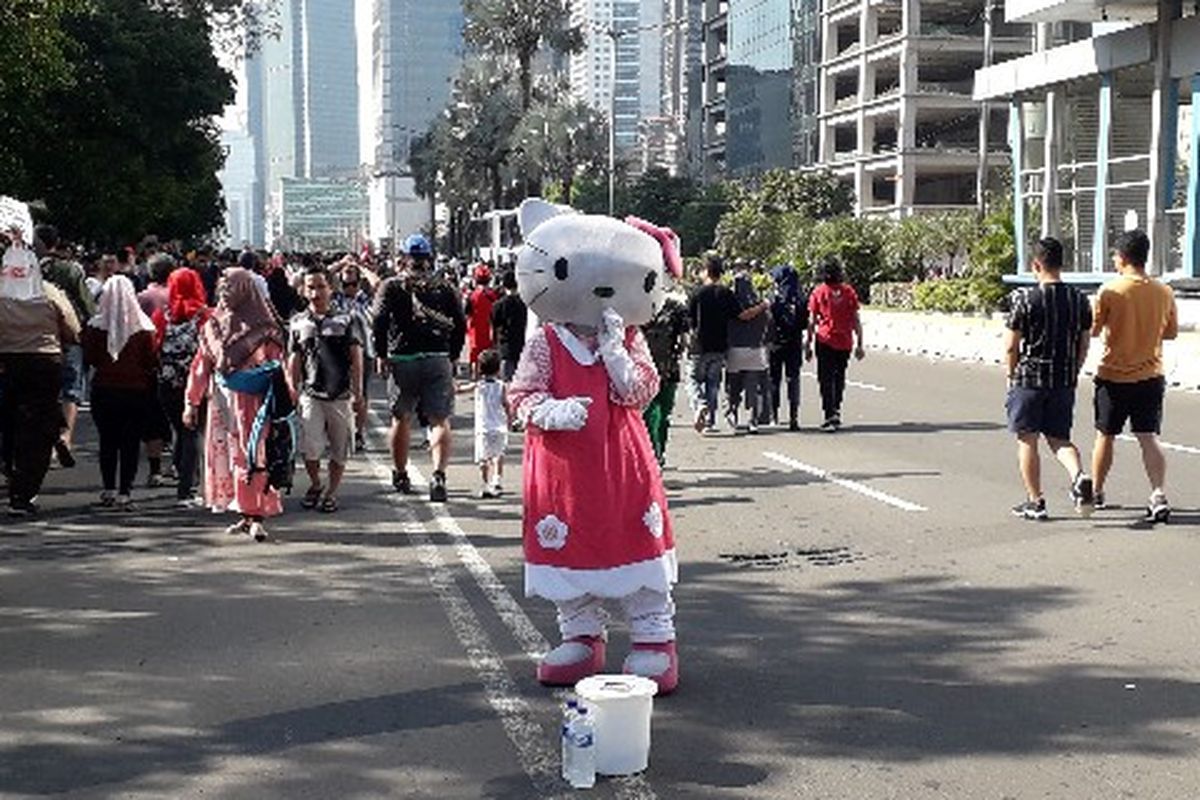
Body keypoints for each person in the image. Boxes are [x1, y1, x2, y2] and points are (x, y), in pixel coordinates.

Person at [183, 267, 288, 542]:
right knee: (231, 455)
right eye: (222, 288)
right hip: (222, 401)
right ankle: (246, 512)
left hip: (257, 400)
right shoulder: (213, 325)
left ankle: (255, 513)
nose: (225, 294)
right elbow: (200, 365)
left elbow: (280, 364)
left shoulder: (265, 327)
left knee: (253, 453)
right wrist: (191, 402)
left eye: (230, 288)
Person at [1089, 229, 1178, 523]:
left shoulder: (1110, 290)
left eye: (1115, 255)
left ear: (1123, 257)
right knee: (1148, 437)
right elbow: (1172, 332)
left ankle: (1098, 491)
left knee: (1106, 435)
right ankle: (1158, 494)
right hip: (1150, 374)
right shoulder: (1164, 291)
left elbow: (1093, 329)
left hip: (1113, 375)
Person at [1003, 237, 1095, 520]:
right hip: (1062, 378)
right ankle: (1079, 476)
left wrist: (1011, 374)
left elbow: (1011, 345)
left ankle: (1035, 500)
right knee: (1058, 438)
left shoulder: (1024, 300)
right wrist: (1074, 369)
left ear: (1036, 264)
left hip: (1029, 379)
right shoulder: (1079, 299)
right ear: (1061, 263)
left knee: (1027, 439)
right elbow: (1083, 343)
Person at [371, 233, 466, 502]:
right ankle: (438, 473)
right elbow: (459, 322)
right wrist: (453, 355)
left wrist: (380, 352)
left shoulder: (391, 286)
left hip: (403, 358)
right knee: (439, 419)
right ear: (429, 259)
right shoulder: (445, 287)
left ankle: (401, 473)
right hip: (438, 356)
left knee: (401, 417)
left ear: (404, 258)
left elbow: (378, 318)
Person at [1, 226, 80, 515]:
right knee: (38, 427)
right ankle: (25, 491)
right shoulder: (49, 292)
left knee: (10, 422)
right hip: (45, 362)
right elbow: (72, 330)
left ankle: (11, 471)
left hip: (9, 362)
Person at [288, 264, 365, 513]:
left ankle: (331, 491)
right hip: (311, 393)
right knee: (310, 449)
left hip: (340, 395)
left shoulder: (346, 319)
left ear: (331, 289)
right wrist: (292, 388)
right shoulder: (298, 322)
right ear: (303, 290)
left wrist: (358, 392)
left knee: (339, 449)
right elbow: (294, 358)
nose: (316, 292)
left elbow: (356, 357)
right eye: (311, 287)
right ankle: (316, 483)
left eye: (321, 286)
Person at [82, 276, 158, 510]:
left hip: (104, 389)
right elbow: (151, 360)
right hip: (136, 391)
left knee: (108, 441)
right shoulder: (143, 326)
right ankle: (126, 490)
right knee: (130, 442)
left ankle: (108, 488)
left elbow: (90, 358)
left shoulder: (96, 325)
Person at [686, 254, 766, 432]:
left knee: (692, 379)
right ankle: (710, 422)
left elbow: (689, 321)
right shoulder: (726, 293)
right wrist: (762, 306)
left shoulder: (696, 293)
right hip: (720, 346)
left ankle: (699, 404)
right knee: (713, 384)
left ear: (706, 271)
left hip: (699, 345)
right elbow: (743, 316)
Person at [36, 224, 94, 468]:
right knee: (71, 389)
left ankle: (46, 441)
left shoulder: (25, 270)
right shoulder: (70, 270)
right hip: (70, 335)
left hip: (37, 336)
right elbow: (87, 304)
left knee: (45, 389)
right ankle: (65, 438)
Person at [152, 267, 211, 505]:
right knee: (192, 435)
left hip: (167, 384)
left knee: (181, 431)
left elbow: (154, 347)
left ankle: (181, 474)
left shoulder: (162, 315)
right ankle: (187, 488)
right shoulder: (204, 316)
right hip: (196, 385)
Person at [805, 257, 864, 431]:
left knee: (825, 379)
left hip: (825, 340)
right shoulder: (849, 292)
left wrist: (807, 343)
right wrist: (860, 343)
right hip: (845, 341)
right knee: (839, 377)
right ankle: (836, 410)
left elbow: (811, 321)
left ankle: (829, 414)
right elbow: (856, 320)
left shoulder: (819, 292)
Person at [138, 253, 176, 487]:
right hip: (174, 363)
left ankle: (155, 470)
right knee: (175, 418)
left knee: (152, 417)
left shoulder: (141, 297)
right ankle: (178, 464)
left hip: (148, 362)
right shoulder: (176, 295)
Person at [641, 291, 689, 465]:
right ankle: (658, 454)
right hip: (668, 368)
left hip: (644, 370)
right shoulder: (676, 307)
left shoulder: (636, 306)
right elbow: (684, 341)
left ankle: (654, 454)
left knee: (651, 414)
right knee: (662, 415)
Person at [725, 265, 771, 434]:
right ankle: (753, 420)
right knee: (754, 387)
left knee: (733, 387)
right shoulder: (761, 305)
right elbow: (767, 325)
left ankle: (733, 414)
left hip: (735, 350)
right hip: (755, 351)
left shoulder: (730, 304)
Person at [767, 264, 807, 431]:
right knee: (793, 379)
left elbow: (768, 321)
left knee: (774, 380)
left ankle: (774, 415)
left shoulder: (773, 298)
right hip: (794, 343)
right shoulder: (801, 299)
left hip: (776, 345)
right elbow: (805, 323)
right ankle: (793, 417)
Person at [472, 348, 509, 498]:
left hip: (483, 428)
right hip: (499, 426)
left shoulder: (479, 386)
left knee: (483, 458)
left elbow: (461, 390)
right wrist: (510, 417)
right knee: (498, 455)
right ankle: (497, 480)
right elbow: (506, 404)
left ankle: (485, 485)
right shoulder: (501, 386)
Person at [490, 269, 528, 382]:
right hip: (522, 345)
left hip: (505, 347)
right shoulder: (525, 303)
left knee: (506, 381)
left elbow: (494, 326)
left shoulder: (498, 305)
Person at [464, 264, 499, 379]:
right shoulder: (493, 295)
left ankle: (474, 377)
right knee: (488, 355)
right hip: (489, 329)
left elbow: (467, 312)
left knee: (474, 355)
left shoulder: (472, 295)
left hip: (474, 330)